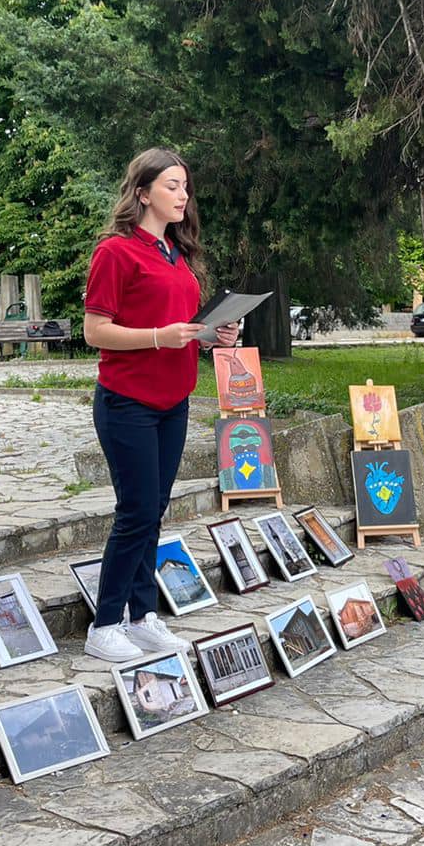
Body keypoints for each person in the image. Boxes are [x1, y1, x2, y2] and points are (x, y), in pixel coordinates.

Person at [81, 148, 240, 661]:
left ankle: (144, 615)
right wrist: (159, 337)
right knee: (136, 510)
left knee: (154, 511)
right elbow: (95, 332)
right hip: (127, 401)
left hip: (174, 401)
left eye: (186, 187)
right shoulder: (115, 252)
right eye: (172, 185)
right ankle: (104, 625)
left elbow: (184, 331)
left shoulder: (180, 256)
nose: (183, 195)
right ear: (143, 192)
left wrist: (213, 336)